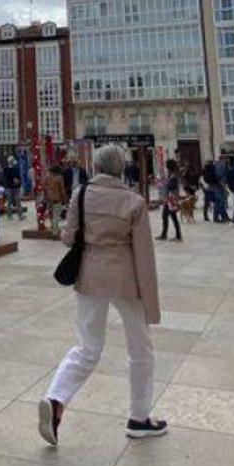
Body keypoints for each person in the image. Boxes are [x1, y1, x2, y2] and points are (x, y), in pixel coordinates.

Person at [39, 144, 165, 445]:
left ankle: (56, 399)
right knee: (140, 348)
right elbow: (144, 256)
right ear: (121, 168)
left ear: (95, 167)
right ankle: (139, 417)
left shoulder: (80, 195)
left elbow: (68, 238)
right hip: (125, 279)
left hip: (89, 277)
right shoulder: (133, 202)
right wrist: (150, 302)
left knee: (87, 347)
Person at [156, 159, 183, 242]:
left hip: (170, 200)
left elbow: (171, 187)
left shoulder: (173, 176)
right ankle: (173, 235)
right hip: (171, 199)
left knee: (167, 217)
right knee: (170, 217)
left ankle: (168, 235)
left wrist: (164, 181)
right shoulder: (173, 175)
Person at [44, 164, 67, 234]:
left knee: (51, 213)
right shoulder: (60, 178)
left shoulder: (47, 177)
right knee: (56, 215)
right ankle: (55, 231)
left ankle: (52, 227)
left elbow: (44, 187)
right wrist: (64, 198)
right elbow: (62, 189)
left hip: (49, 198)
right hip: (57, 198)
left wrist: (46, 196)